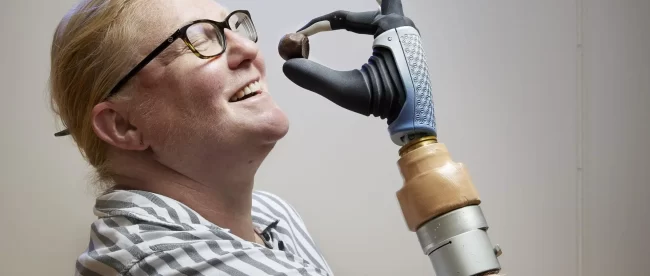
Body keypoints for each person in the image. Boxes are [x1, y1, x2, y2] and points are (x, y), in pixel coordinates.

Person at [49, 0, 333, 274]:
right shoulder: (167, 265)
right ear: (123, 125)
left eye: (232, 28)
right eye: (197, 41)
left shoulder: (271, 212)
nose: (248, 48)